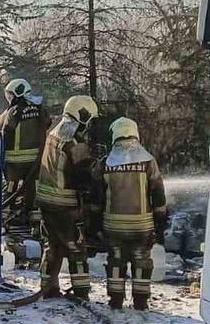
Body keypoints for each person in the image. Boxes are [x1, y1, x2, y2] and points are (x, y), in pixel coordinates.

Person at [88, 118, 168, 310]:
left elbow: (96, 200)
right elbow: (158, 195)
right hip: (142, 226)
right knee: (142, 262)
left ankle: (116, 300)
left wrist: (95, 226)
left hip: (113, 226)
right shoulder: (148, 161)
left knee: (116, 261)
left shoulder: (105, 163)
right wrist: (160, 225)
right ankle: (140, 301)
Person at [34, 95, 99, 300]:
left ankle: (48, 288)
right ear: (83, 115)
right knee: (76, 247)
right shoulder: (74, 141)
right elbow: (82, 176)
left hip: (46, 202)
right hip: (65, 205)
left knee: (52, 245)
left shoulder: (54, 132)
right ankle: (81, 292)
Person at [0, 78, 50, 259]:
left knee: (11, 193)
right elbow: (47, 122)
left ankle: (10, 226)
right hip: (35, 162)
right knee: (33, 194)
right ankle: (35, 228)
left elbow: (6, 132)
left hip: (14, 162)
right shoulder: (39, 109)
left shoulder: (14, 111)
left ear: (16, 93)